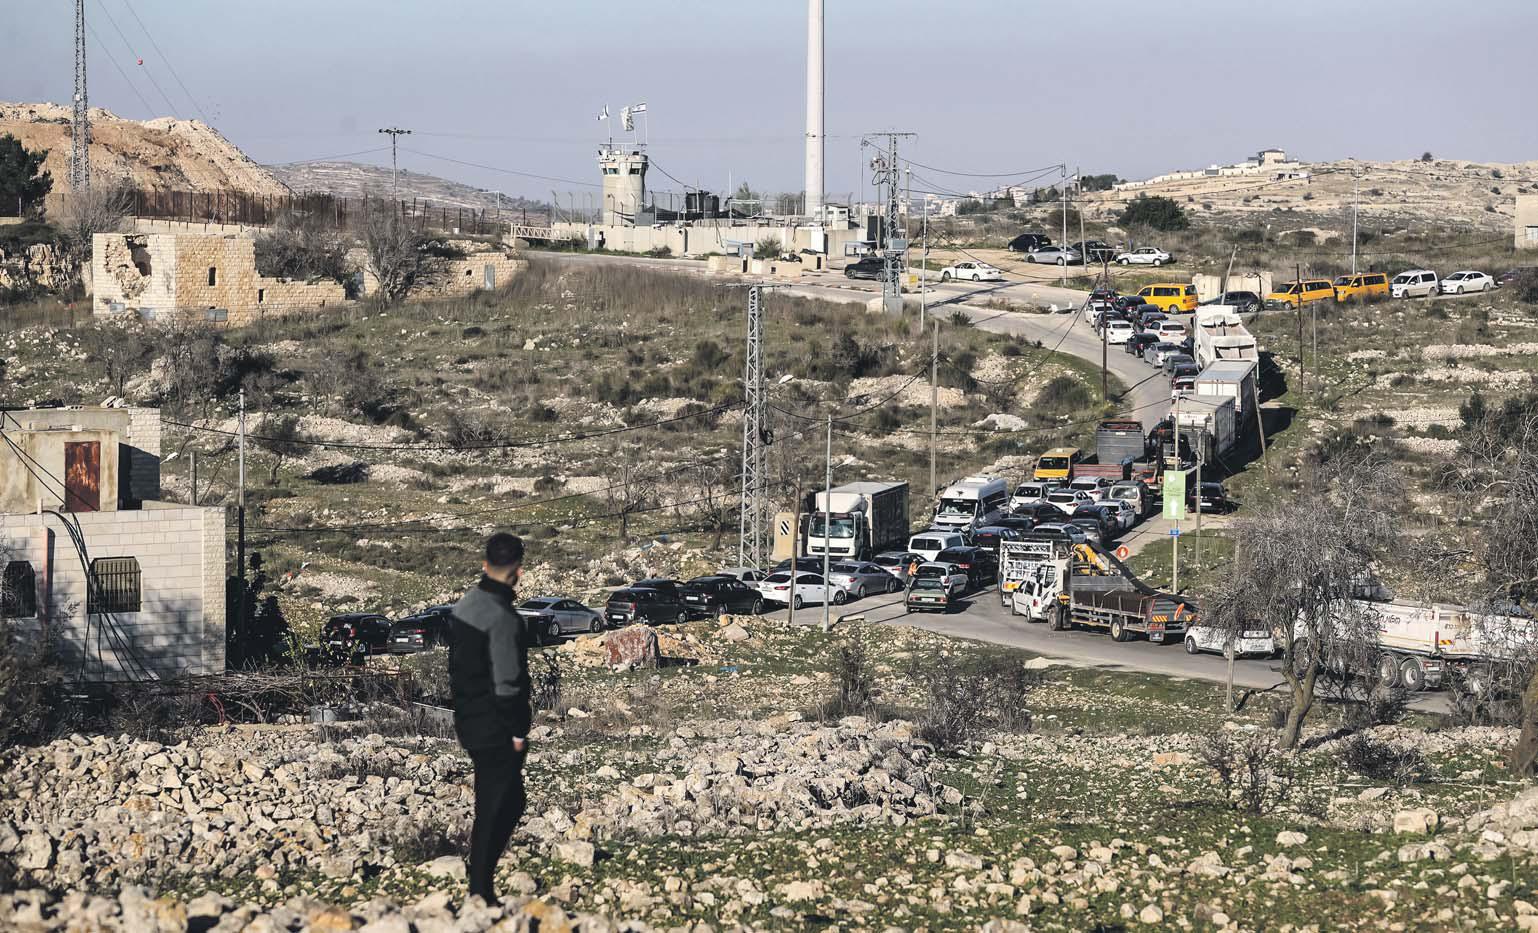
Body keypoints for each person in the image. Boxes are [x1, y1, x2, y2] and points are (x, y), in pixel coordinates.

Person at [449, 533, 532, 903]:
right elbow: (508, 684)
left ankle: (481, 880)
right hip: (496, 724)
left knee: (502, 800)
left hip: (467, 717)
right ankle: (480, 889)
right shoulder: (504, 618)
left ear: (485, 565)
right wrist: (517, 731)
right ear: (517, 572)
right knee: (499, 805)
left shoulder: (466, 605)